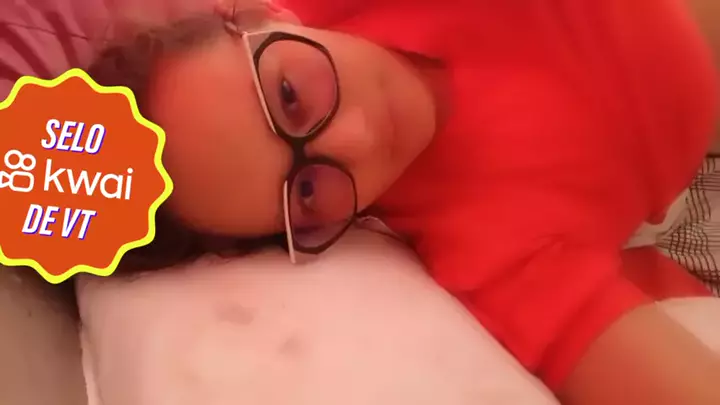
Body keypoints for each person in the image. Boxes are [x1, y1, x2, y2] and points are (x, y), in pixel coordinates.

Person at [85, 0, 720, 404]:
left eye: (290, 95)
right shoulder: (493, 253)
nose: (359, 137)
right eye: (307, 191)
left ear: (263, 14)